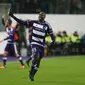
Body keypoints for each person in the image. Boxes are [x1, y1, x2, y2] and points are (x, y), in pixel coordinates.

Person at [8, 9, 55, 81]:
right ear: (38, 16)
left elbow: (52, 34)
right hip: (34, 43)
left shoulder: (47, 25)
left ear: (44, 17)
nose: (40, 17)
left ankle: (32, 73)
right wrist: (12, 16)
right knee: (36, 56)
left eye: (42, 16)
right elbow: (22, 22)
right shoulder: (34, 22)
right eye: (40, 15)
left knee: (38, 61)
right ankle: (32, 67)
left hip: (41, 45)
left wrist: (53, 41)